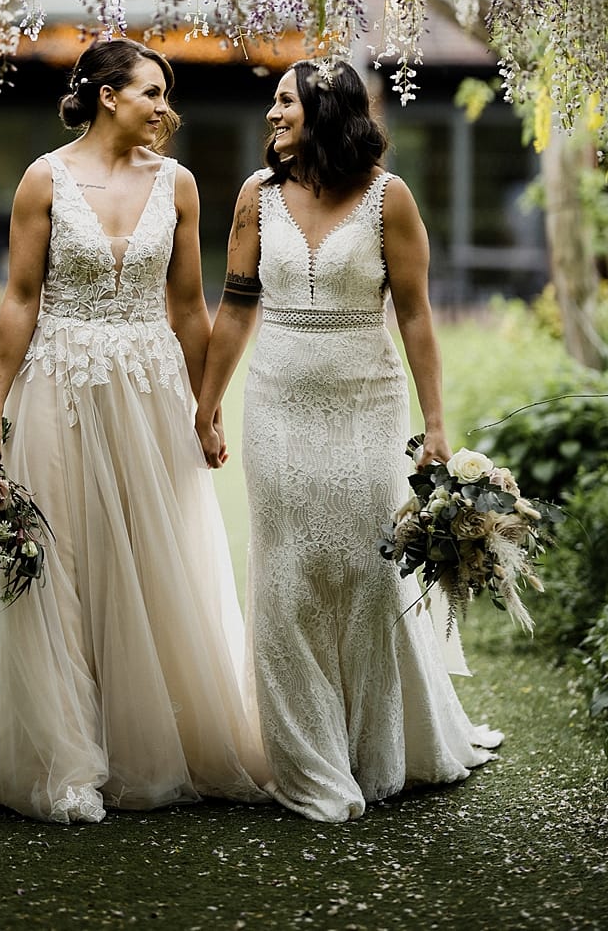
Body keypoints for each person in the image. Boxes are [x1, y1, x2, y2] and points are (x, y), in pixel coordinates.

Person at [0, 37, 267, 822]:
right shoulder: (45, 178)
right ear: (107, 95)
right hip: (58, 384)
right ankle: (61, 756)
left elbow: (188, 306)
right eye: (152, 92)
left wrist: (206, 407)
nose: (164, 107)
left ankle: (145, 737)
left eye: (165, 95)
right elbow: (21, 296)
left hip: (150, 389)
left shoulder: (179, 183)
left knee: (149, 556)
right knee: (56, 560)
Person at [194, 56, 502, 822]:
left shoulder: (388, 198)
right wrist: (209, 403)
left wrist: (436, 424)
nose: (272, 115)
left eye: (285, 102)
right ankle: (308, 764)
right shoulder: (257, 196)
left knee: (366, 572)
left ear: (325, 112)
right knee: (286, 575)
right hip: (277, 401)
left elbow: (417, 316)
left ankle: (371, 750)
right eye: (273, 103)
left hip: (367, 403)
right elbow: (234, 306)